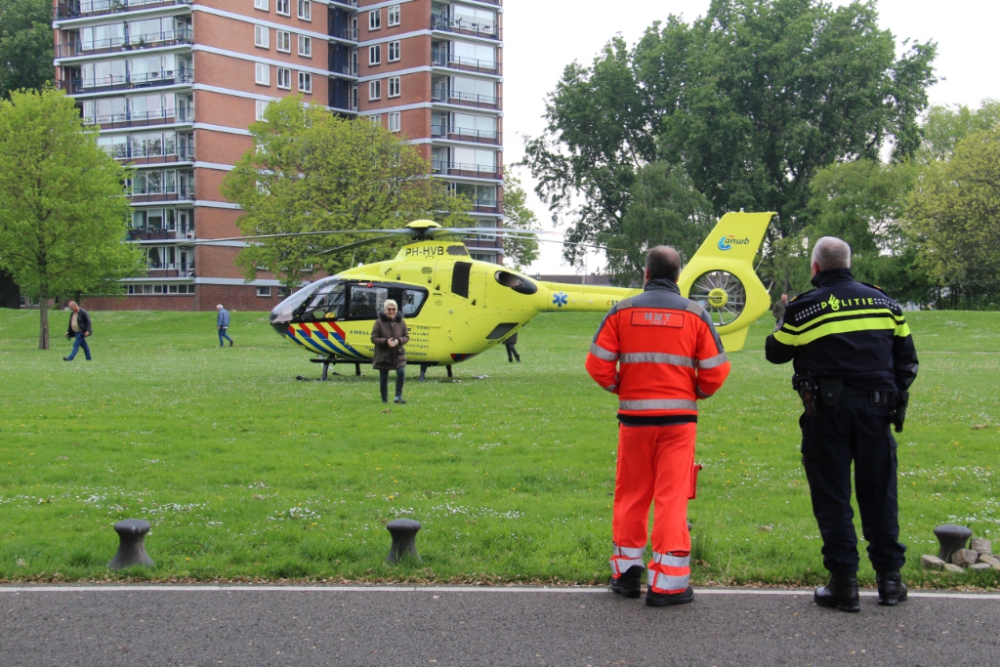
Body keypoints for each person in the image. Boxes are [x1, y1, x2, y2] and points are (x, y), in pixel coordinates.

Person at [765, 237, 918, 612]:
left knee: (833, 497)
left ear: (815, 267)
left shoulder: (804, 308)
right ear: (848, 262)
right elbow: (907, 361)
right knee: (879, 494)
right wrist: (892, 397)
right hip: (877, 411)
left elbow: (775, 352)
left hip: (826, 413)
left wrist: (783, 315)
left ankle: (844, 585)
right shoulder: (886, 303)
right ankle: (890, 583)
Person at [586, 246, 731, 607]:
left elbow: (597, 365)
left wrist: (622, 387)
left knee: (631, 495)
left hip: (634, 421)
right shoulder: (696, 314)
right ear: (679, 276)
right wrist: (694, 392)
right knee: (671, 498)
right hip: (679, 422)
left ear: (646, 274)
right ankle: (668, 585)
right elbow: (715, 372)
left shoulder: (622, 311)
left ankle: (626, 575)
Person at [371, 299, 409, 404]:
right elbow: (373, 338)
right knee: (384, 378)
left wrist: (399, 341)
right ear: (385, 310)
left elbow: (406, 337)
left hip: (398, 353)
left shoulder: (401, 322)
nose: (391, 311)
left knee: (401, 372)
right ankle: (384, 400)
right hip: (383, 354)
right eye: (389, 309)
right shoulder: (378, 322)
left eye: (394, 309)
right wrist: (385, 341)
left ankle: (398, 396)